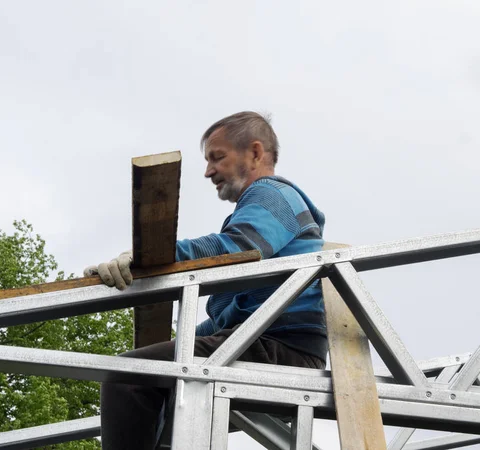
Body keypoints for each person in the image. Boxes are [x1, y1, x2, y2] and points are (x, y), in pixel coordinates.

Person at [84, 111, 327, 449]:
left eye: (218, 157)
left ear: (255, 153)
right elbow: (221, 323)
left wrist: (146, 256)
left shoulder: (273, 195)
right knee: (159, 387)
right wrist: (176, 342)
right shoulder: (258, 212)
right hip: (261, 343)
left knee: (127, 377)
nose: (209, 171)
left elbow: (235, 249)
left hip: (282, 349)